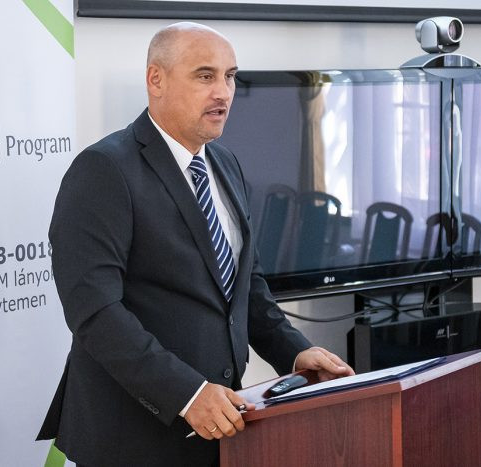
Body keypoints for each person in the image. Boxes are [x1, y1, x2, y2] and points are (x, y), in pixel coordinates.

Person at [37, 22, 354, 467]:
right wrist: (187, 393)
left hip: (221, 424)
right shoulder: (104, 169)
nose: (224, 92)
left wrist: (294, 351)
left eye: (230, 76)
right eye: (205, 76)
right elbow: (95, 312)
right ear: (156, 79)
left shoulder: (225, 162)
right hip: (132, 436)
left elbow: (245, 285)